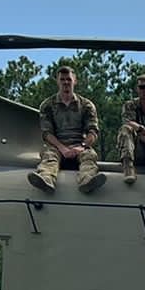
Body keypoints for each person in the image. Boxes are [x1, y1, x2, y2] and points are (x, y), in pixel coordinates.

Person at [29, 64, 105, 194]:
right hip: (57, 146)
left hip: (79, 145)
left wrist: (81, 146)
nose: (66, 83)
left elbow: (93, 131)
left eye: (68, 79)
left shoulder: (86, 105)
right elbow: (47, 133)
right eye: (62, 79)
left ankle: (88, 180)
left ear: (75, 81)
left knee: (89, 156)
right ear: (57, 82)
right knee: (49, 157)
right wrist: (62, 148)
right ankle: (46, 180)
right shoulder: (48, 105)